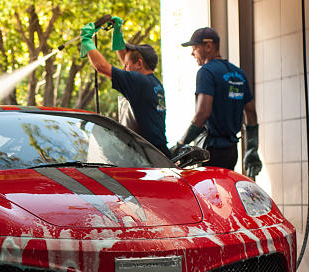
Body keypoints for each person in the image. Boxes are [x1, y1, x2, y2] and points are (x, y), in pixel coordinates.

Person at [171, 27, 261, 177]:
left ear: (208, 46)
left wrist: (181, 143)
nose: (192, 53)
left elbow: (203, 113)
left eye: (195, 48)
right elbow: (250, 111)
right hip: (232, 151)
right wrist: (252, 149)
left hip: (211, 152)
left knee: (209, 196)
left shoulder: (206, 72)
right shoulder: (239, 73)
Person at [80, 18, 170, 158]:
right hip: (157, 152)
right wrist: (117, 32)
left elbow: (102, 67)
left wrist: (87, 41)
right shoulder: (152, 82)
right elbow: (125, 60)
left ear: (139, 64)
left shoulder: (138, 82)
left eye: (127, 65)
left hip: (147, 157)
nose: (124, 67)